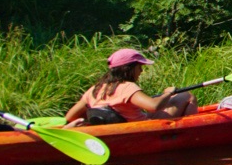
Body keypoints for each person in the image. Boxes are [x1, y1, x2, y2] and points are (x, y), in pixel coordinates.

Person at [64, 48, 195, 125]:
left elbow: (70, 117)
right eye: (139, 67)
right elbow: (153, 106)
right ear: (129, 69)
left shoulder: (95, 89)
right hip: (143, 127)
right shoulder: (127, 87)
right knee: (187, 96)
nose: (141, 71)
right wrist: (169, 93)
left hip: (119, 128)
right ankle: (191, 135)